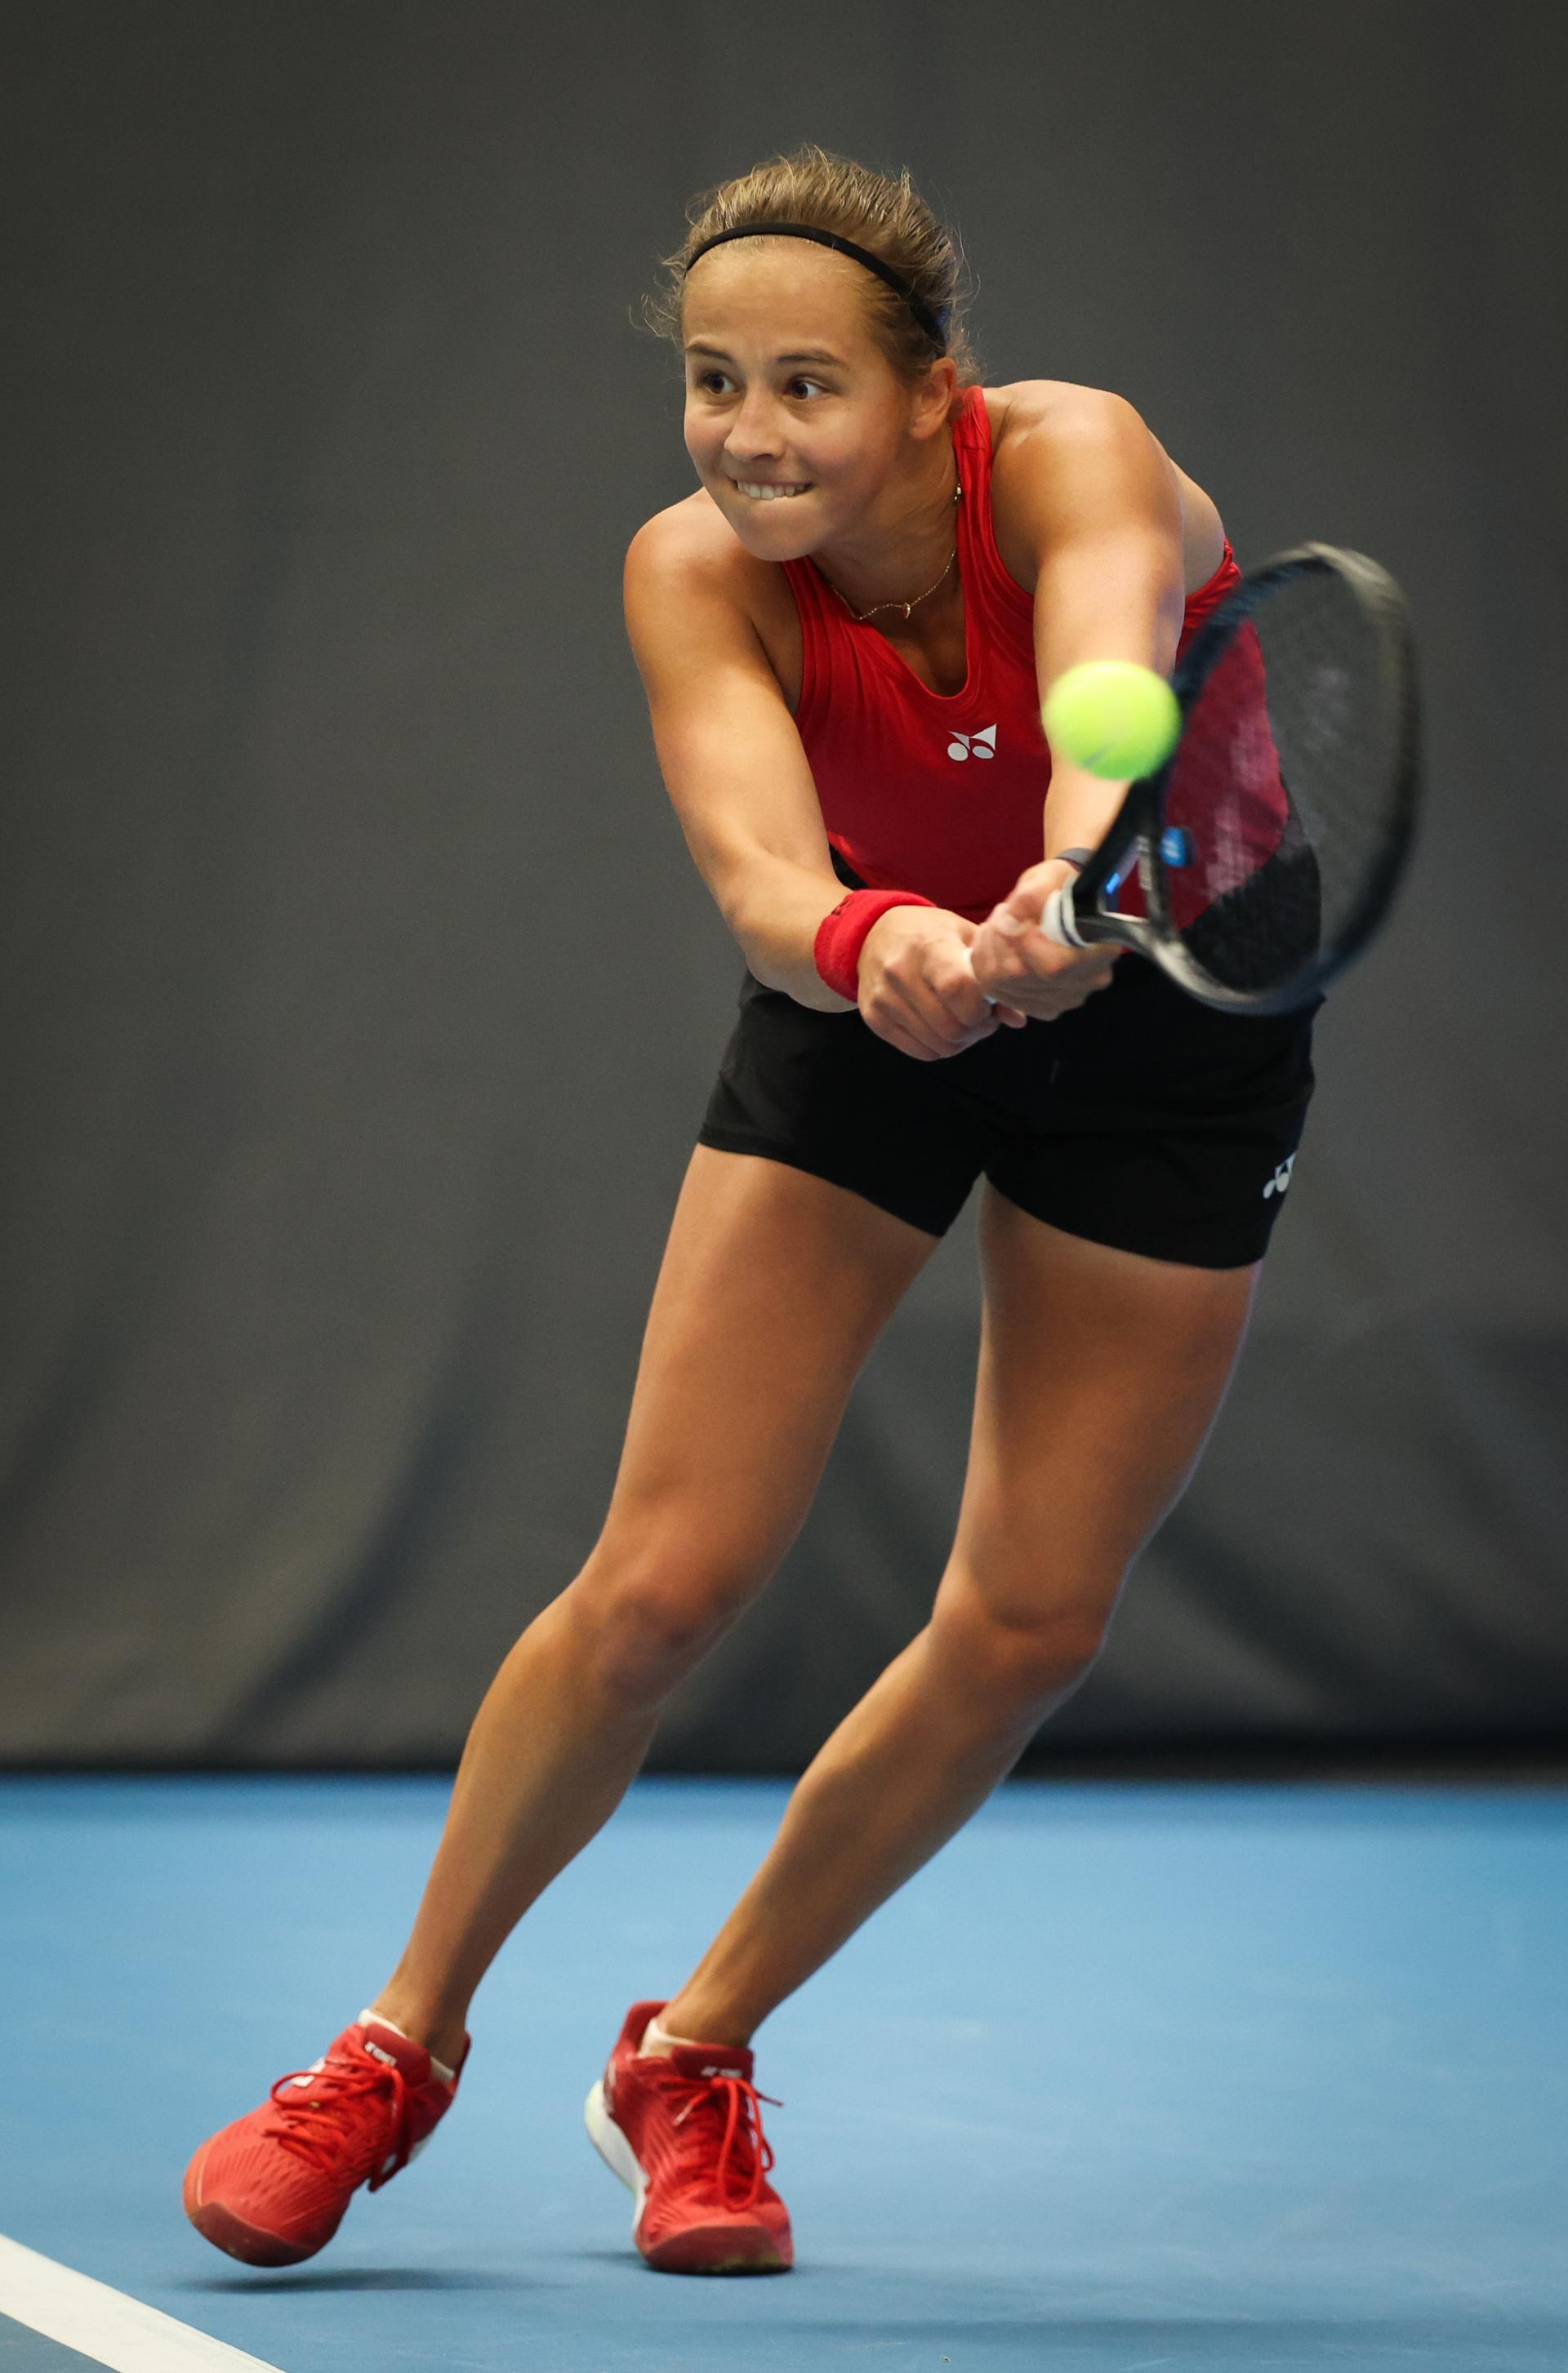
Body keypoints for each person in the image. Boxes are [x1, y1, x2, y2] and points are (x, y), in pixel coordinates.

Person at [183, 145, 1316, 2278]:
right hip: (873, 1003)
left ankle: (687, 2051)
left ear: (927, 395)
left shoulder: (1078, 458)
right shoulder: (690, 568)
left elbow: (1106, 683)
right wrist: (875, 939)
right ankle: (392, 2044)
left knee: (1032, 1621)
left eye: (806, 385)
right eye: (714, 381)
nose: (748, 430)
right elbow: (756, 872)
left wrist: (1075, 873)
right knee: (662, 1583)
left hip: (1168, 1018)